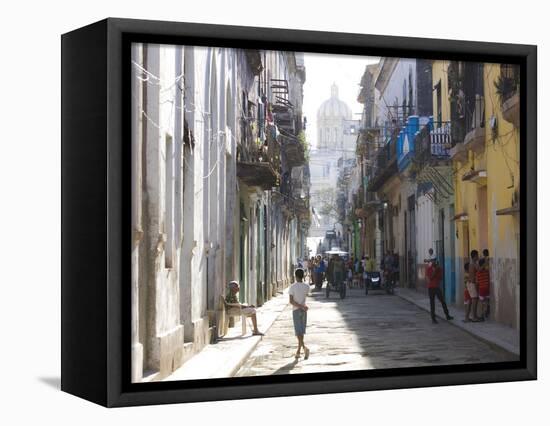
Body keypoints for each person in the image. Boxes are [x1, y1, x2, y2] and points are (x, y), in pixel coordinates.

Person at [288, 268, 310, 360]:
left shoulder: (292, 287)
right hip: (304, 310)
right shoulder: (307, 286)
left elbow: (291, 301)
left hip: (296, 310)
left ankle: (304, 348)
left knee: (298, 331)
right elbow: (305, 296)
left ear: (295, 276)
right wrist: (303, 306)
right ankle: (298, 351)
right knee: (301, 331)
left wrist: (300, 306)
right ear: (303, 276)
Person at [426, 259, 453, 323]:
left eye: (434, 261)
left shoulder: (439, 269)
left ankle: (447, 315)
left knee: (442, 301)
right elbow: (430, 278)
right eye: (432, 261)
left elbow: (440, 278)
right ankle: (433, 318)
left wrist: (436, 272)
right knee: (432, 303)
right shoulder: (429, 269)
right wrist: (435, 272)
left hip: (437, 287)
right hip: (431, 288)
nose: (433, 262)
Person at [466, 250, 482, 322]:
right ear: (475, 256)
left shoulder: (471, 263)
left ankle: (468, 317)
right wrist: (485, 263)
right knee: (475, 300)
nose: (478, 257)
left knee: (471, 300)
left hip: (470, 283)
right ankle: (474, 317)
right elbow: (479, 269)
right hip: (472, 284)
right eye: (477, 255)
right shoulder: (474, 263)